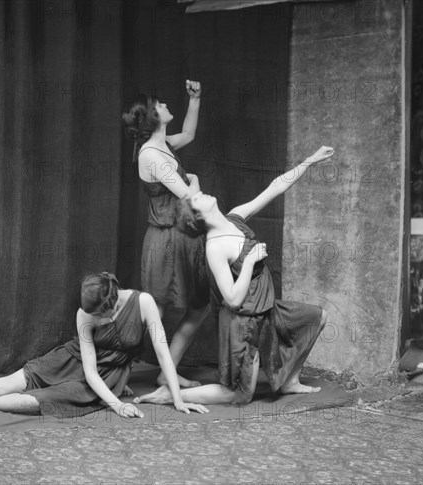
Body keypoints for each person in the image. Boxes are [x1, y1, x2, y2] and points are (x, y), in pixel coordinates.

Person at [134, 146, 334, 406]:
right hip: (242, 324)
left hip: (265, 308)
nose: (201, 194)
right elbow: (232, 298)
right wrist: (249, 262)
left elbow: (274, 188)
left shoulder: (234, 218)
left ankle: (290, 381)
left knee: (317, 318)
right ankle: (170, 394)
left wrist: (308, 162)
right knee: (239, 395)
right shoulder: (215, 247)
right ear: (199, 216)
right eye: (196, 199)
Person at [0, 273, 209, 419]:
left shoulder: (144, 302)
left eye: (100, 315)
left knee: (23, 404)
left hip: (99, 381)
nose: (95, 319)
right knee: (0, 385)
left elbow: (163, 351)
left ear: (111, 303)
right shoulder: (85, 314)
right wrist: (117, 406)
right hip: (72, 363)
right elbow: (90, 368)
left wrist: (177, 400)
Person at [122, 80, 210, 388]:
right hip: (164, 241)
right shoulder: (151, 155)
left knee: (199, 306)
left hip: (183, 237)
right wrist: (196, 179)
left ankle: (166, 371)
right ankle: (114, 370)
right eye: (160, 105)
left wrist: (195, 100)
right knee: (154, 311)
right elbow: (190, 197)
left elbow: (188, 134)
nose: (165, 105)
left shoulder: (163, 144)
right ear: (152, 117)